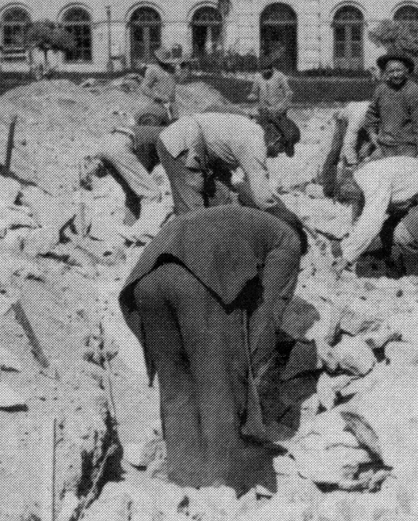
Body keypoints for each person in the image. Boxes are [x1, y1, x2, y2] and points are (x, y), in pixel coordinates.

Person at [118, 204, 307, 491]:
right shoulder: (287, 239)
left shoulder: (232, 219)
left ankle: (184, 475)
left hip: (146, 281)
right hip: (195, 283)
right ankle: (221, 482)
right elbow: (270, 308)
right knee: (218, 385)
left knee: (176, 384)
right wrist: (247, 367)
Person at [331, 155, 418, 278]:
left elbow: (371, 223)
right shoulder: (360, 182)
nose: (353, 201)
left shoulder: (372, 180)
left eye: (350, 198)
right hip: (412, 195)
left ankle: (417, 275)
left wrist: (346, 258)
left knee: (403, 234)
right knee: (386, 231)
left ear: (349, 185)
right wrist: (346, 247)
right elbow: (360, 221)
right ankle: (398, 264)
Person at [157, 111, 295, 216]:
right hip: (182, 142)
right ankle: (193, 248)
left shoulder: (252, 131)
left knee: (223, 198)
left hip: (197, 147)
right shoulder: (254, 142)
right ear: (275, 139)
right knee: (193, 209)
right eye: (281, 149)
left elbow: (231, 176)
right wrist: (280, 214)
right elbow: (262, 196)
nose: (277, 155)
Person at [83, 100, 176, 239]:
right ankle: (143, 235)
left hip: (107, 143)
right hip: (121, 145)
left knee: (132, 193)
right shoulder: (170, 135)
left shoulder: (152, 132)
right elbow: (149, 163)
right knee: (152, 194)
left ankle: (127, 230)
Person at [364, 53, 418, 160]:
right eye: (391, 71)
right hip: (385, 146)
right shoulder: (381, 90)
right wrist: (372, 132)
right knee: (367, 171)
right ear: (386, 73)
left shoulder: (415, 93)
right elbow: (372, 112)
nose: (395, 75)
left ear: (406, 70)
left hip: (407, 148)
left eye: (399, 70)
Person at [318, 100, 375, 200]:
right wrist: (354, 165)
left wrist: (370, 145)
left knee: (367, 153)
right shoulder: (358, 118)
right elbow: (348, 145)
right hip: (344, 120)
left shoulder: (382, 116)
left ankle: (364, 187)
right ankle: (330, 189)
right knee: (336, 151)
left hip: (364, 124)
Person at [248, 57, 299, 155]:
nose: (265, 72)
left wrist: (281, 107)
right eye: (263, 70)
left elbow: (289, 93)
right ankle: (267, 147)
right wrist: (252, 96)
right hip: (264, 109)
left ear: (272, 69)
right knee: (260, 126)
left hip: (277, 109)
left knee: (281, 126)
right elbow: (254, 92)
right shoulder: (258, 78)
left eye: (267, 69)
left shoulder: (279, 76)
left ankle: (289, 143)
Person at [137, 45, 188, 117]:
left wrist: (184, 68)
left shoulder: (171, 70)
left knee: (174, 124)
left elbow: (180, 80)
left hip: (172, 104)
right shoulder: (153, 70)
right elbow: (144, 87)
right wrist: (156, 96)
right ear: (158, 60)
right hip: (158, 104)